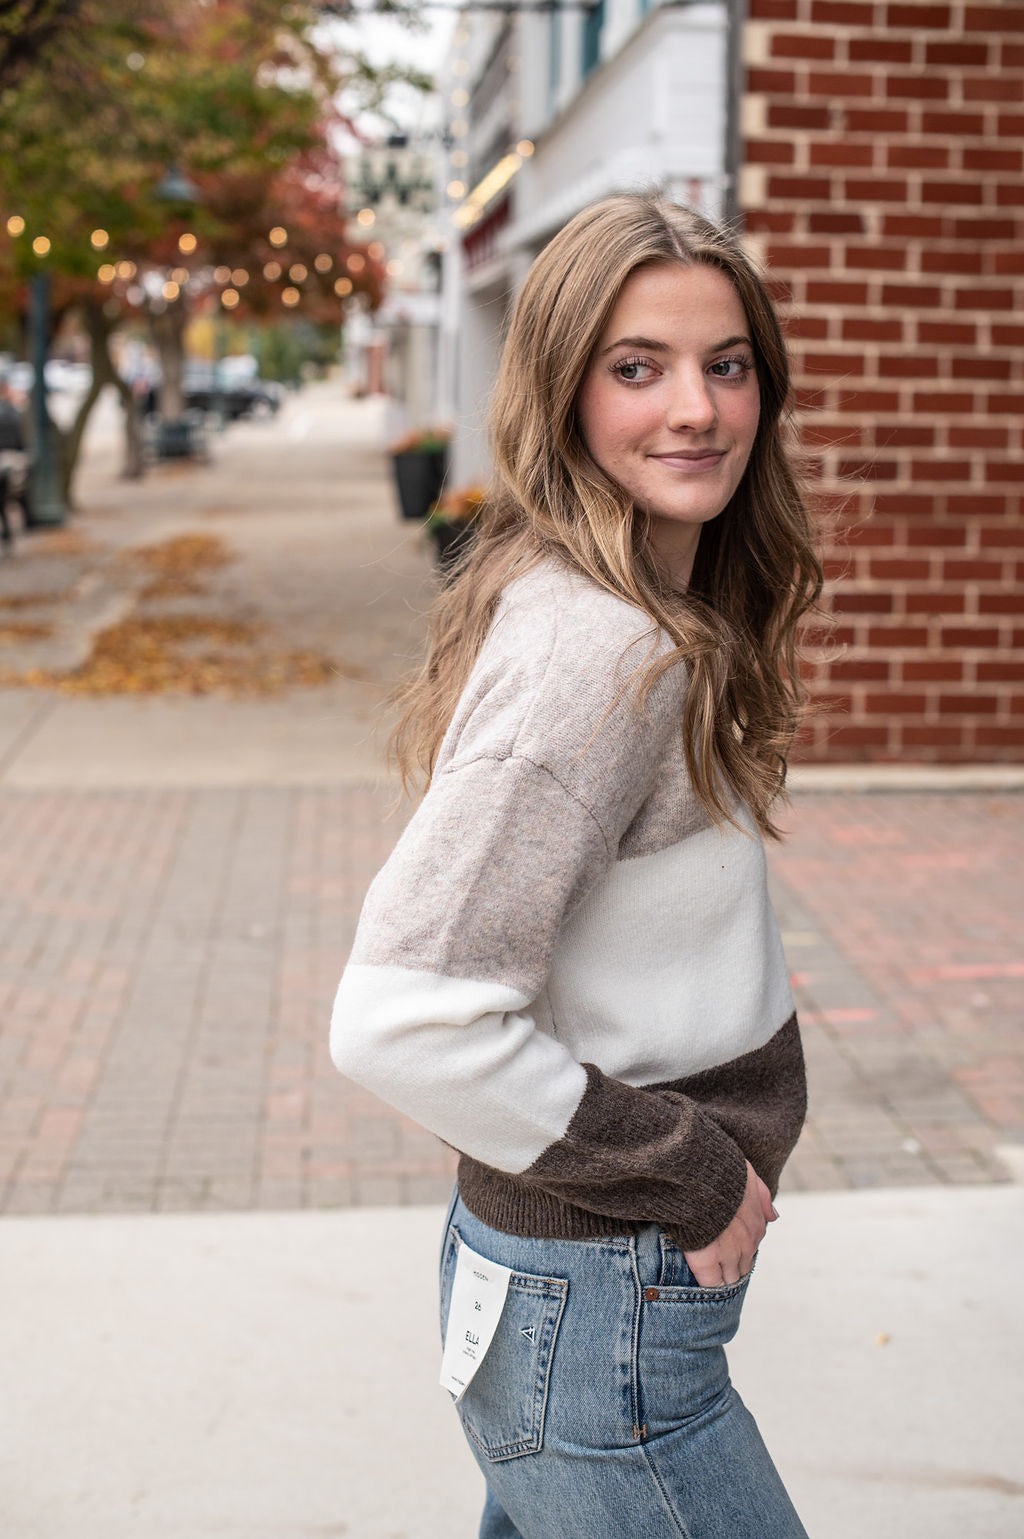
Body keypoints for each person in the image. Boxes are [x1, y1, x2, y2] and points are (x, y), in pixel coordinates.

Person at [330, 193, 822, 1539]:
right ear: (562, 394)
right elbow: (402, 1019)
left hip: (590, 1302)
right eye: (637, 368)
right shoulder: (598, 653)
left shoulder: (652, 614)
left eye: (728, 365)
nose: (697, 410)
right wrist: (694, 1175)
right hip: (602, 1307)